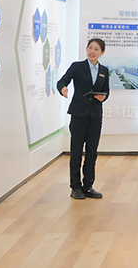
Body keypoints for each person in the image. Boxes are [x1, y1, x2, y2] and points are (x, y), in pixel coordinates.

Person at [57, 38, 110, 200]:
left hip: (95, 116)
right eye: (90, 47)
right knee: (76, 152)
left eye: (96, 49)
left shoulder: (104, 70)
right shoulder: (77, 66)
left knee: (92, 152)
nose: (92, 51)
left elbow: (106, 91)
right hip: (79, 115)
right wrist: (63, 88)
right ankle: (75, 187)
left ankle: (88, 186)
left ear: (102, 52)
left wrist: (103, 97)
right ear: (86, 49)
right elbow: (62, 81)